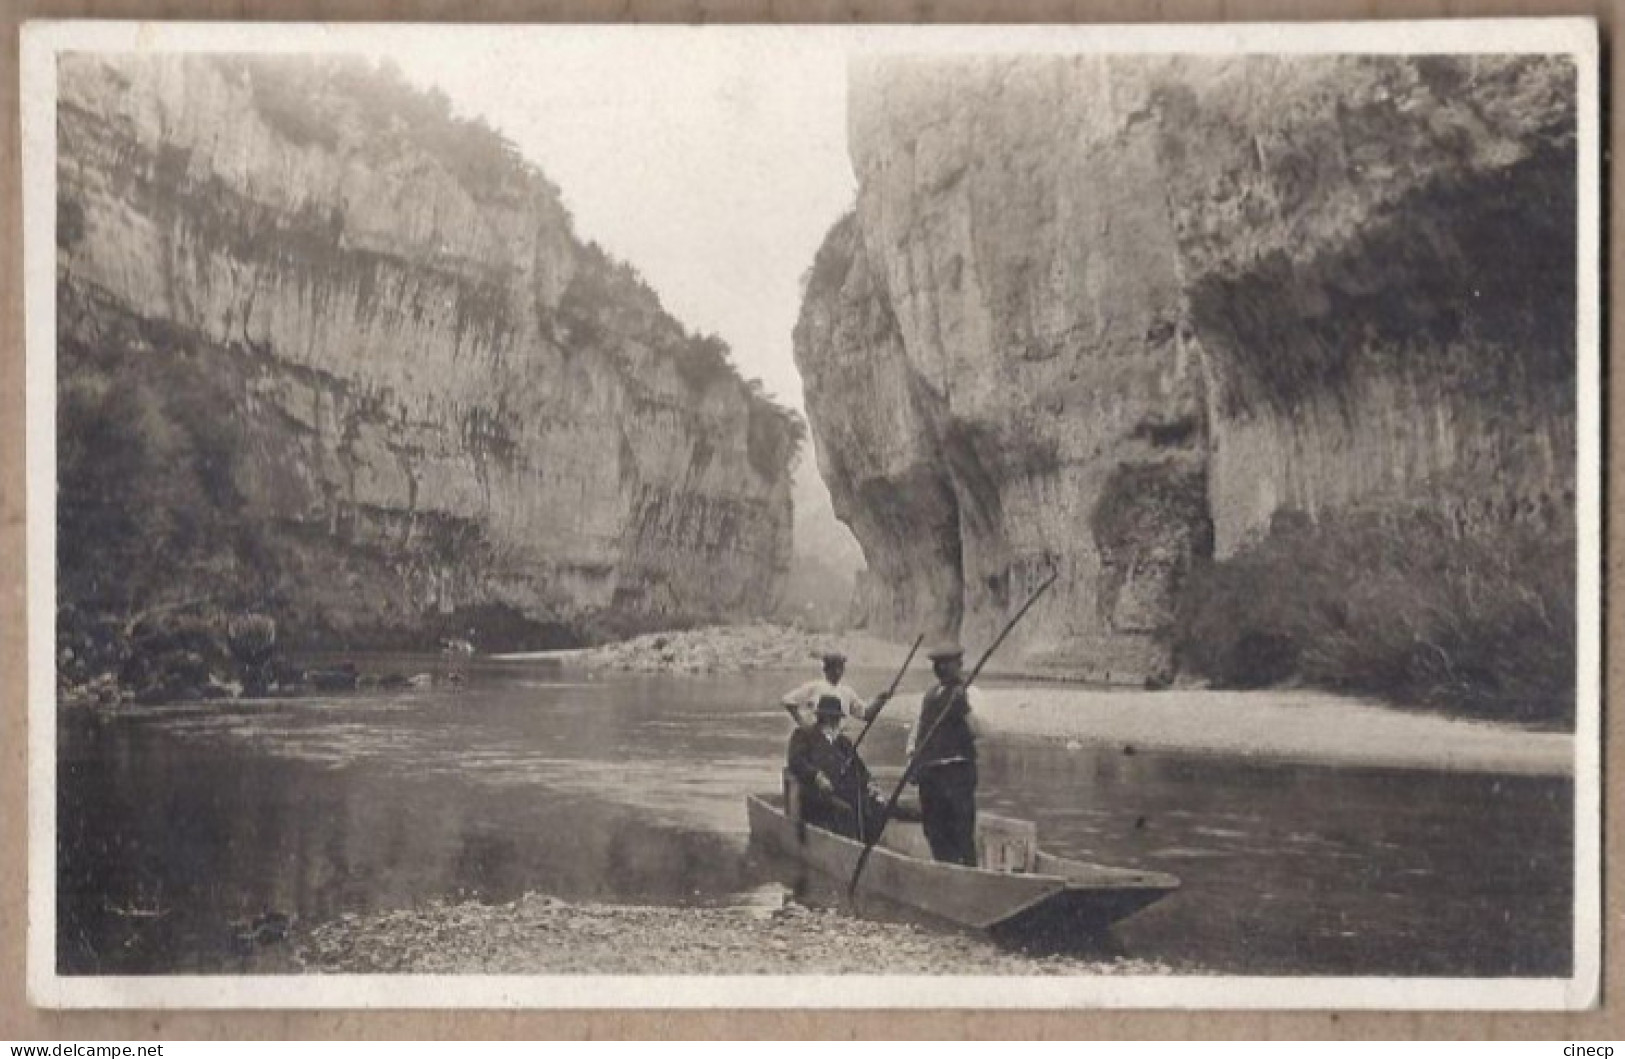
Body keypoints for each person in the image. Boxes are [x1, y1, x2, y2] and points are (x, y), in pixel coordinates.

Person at [908, 640, 982, 867]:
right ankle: (945, 869)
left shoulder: (968, 693)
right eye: (937, 664)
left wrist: (963, 705)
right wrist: (913, 760)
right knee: (934, 828)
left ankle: (968, 872)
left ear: (957, 665)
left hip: (957, 771)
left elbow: (977, 730)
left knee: (961, 827)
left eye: (945, 664)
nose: (939, 669)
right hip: (930, 773)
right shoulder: (930, 695)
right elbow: (920, 729)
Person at [786, 694, 888, 842]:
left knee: (876, 807)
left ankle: (869, 846)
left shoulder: (843, 742)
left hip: (843, 791)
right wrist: (816, 775)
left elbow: (859, 768)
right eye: (832, 718)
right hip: (816, 794)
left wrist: (871, 784)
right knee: (844, 811)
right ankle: (848, 850)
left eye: (837, 719)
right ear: (823, 718)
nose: (836, 722)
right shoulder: (804, 735)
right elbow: (796, 761)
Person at [779, 650, 890, 728]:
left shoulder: (847, 692)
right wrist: (803, 724)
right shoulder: (814, 687)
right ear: (826, 669)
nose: (838, 672)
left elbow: (865, 715)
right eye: (834, 668)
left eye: (840, 668)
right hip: (814, 738)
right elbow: (787, 700)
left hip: (836, 738)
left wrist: (880, 700)